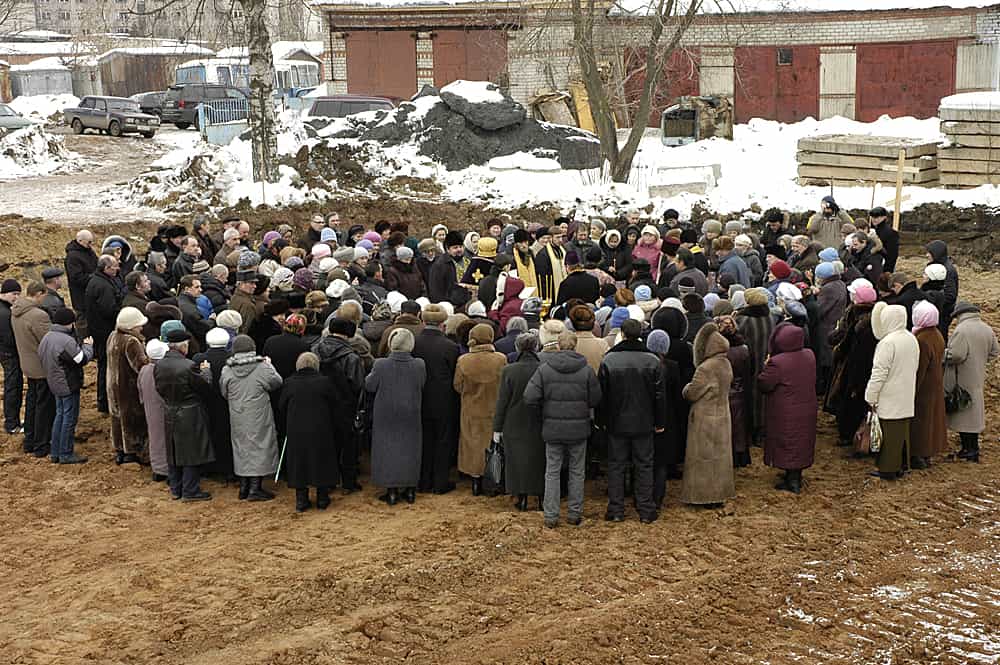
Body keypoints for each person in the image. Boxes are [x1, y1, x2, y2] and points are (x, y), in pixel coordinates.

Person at [524, 330, 601, 528]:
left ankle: (551, 515)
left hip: (552, 428)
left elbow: (529, 396)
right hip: (579, 428)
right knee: (577, 471)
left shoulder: (545, 369)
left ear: (558, 345)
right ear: (575, 346)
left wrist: (543, 409)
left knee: (552, 471)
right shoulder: (586, 370)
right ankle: (574, 513)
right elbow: (595, 399)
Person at [599, 318, 665, 523]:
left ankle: (616, 509)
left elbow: (603, 395)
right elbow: (659, 396)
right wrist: (660, 421)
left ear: (623, 334)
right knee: (644, 464)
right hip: (644, 421)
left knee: (616, 465)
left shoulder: (609, 360)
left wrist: (601, 421)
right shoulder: (652, 361)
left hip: (616, 422)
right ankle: (646, 509)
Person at [365, 328, 426, 505]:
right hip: (411, 411)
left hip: (386, 412)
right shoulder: (419, 364)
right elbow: (421, 384)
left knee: (387, 449)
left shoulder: (380, 364)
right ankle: (410, 490)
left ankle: (391, 491)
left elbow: (369, 385)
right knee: (410, 449)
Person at [220, 334, 283, 501]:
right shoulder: (262, 367)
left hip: (237, 413)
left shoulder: (227, 369)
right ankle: (255, 488)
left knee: (241, 447)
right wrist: (270, 366)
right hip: (259, 412)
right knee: (260, 446)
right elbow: (277, 382)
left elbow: (224, 392)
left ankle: (244, 487)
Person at [155, 328, 215, 501]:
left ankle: (176, 488)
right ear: (182, 346)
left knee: (173, 451)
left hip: (169, 409)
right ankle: (190, 490)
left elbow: (159, 388)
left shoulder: (159, 364)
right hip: (190, 411)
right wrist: (206, 372)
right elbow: (204, 387)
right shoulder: (188, 366)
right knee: (191, 451)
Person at [757, 322, 817, 493]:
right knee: (801, 440)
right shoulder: (809, 355)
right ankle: (795, 475)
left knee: (787, 441)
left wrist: (766, 365)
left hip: (785, 410)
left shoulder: (777, 362)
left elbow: (764, 384)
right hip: (806, 407)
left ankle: (792, 481)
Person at [682, 322, 735, 506]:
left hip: (704, 418)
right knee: (719, 459)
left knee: (703, 460)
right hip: (722, 414)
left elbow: (692, 393)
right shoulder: (726, 363)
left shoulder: (705, 368)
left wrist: (686, 387)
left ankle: (703, 496)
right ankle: (719, 494)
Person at [865, 302, 919, 480]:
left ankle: (888, 469)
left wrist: (871, 395)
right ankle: (902, 465)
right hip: (906, 391)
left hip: (889, 393)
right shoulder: (911, 338)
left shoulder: (887, 342)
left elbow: (879, 373)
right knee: (902, 432)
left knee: (888, 434)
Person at [279, 351, 339, 511]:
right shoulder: (324, 382)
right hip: (321, 427)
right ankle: (322, 498)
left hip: (296, 428)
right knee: (322, 459)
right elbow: (335, 404)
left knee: (299, 461)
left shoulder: (289, 382)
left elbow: (282, 405)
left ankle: (301, 500)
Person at [493, 332, 545, 511]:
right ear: (536, 347)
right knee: (540, 460)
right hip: (540, 420)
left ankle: (521, 498)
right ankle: (540, 498)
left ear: (517, 348)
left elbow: (502, 402)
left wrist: (497, 429)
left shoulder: (509, 370)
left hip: (513, 422)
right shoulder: (544, 367)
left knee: (516, 461)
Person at [454, 323, 506, 495]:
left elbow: (458, 386)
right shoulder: (501, 359)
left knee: (472, 445)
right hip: (493, 409)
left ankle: (475, 481)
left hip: (471, 410)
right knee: (492, 445)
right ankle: (491, 478)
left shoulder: (463, 361)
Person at [314, 318, 366, 493]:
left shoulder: (314, 350)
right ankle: (348, 483)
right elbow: (358, 385)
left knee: (325, 444)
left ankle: (327, 481)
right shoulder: (351, 357)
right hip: (345, 406)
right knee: (348, 446)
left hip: (320, 405)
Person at [945, 301, 999, 464]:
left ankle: (969, 449)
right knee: (974, 414)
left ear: (960, 315)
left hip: (962, 377)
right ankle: (971, 448)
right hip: (977, 375)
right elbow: (995, 351)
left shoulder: (962, 330)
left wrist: (943, 354)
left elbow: (957, 355)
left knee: (964, 414)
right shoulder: (986, 328)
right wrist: (980, 361)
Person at [37, 308, 93, 464]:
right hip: (67, 384)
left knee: (59, 416)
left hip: (54, 383)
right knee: (69, 419)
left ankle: (55, 452)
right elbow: (80, 359)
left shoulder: (47, 337)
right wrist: (88, 346)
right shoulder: (65, 340)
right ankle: (65, 453)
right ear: (70, 323)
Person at [13, 281, 54, 457]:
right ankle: (41, 445)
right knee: (44, 406)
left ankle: (29, 440)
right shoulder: (38, 315)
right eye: (44, 296)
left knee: (32, 403)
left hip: (28, 364)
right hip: (41, 366)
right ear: (38, 294)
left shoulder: (16, 311)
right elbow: (48, 342)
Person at [106, 306, 150, 465]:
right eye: (139, 324)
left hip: (113, 385)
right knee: (131, 420)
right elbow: (140, 366)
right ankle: (132, 452)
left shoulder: (112, 336)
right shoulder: (131, 341)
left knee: (117, 418)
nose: (142, 327)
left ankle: (120, 450)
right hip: (128, 388)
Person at [909, 300, 947, 470]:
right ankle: (927, 453)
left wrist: (912, 391)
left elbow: (920, 369)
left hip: (924, 388)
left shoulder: (922, 339)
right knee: (932, 419)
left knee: (921, 422)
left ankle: (919, 454)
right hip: (935, 384)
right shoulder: (936, 334)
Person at [192, 327, 234, 478]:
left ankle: (209, 467)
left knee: (208, 434)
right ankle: (227, 468)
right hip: (227, 403)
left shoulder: (198, 359)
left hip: (206, 403)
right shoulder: (232, 358)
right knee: (226, 435)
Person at [84, 255, 122, 413]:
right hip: (104, 332)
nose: (117, 268)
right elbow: (109, 310)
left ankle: (103, 401)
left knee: (103, 365)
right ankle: (105, 402)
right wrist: (122, 310)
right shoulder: (103, 286)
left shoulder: (97, 281)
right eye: (114, 267)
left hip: (97, 330)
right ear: (106, 268)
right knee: (107, 366)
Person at [716, 315, 752, 468]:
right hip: (740, 392)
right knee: (739, 427)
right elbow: (748, 372)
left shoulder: (718, 351)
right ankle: (740, 456)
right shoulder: (743, 349)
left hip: (723, 392)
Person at [138, 339, 169, 481]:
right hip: (162, 407)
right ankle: (166, 469)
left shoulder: (144, 370)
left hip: (149, 407)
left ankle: (157, 468)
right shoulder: (161, 370)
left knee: (155, 437)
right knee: (165, 438)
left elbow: (140, 390)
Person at [0, 279, 23, 434]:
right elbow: (9, 338)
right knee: (13, 387)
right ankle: (11, 424)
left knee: (13, 386)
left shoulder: (5, 309)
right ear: (4, 293)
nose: (16, 297)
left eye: (18, 294)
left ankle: (12, 420)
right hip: (9, 354)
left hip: (5, 353)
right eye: (14, 294)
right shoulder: (5, 313)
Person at [64, 229, 98, 330]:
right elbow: (76, 278)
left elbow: (97, 264)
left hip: (92, 295)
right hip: (81, 298)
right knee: (83, 325)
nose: (91, 244)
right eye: (89, 242)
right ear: (80, 241)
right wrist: (94, 277)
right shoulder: (72, 257)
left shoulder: (89, 251)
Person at [428, 231, 471, 307]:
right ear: (448, 249)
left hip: (467, 302)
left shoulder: (468, 261)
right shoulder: (440, 265)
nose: (459, 250)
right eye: (455, 248)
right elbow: (435, 290)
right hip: (450, 305)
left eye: (460, 247)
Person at [926, 240, 959, 336]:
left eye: (929, 253)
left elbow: (950, 295)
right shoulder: (937, 266)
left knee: (940, 335)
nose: (927, 255)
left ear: (936, 253)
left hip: (943, 312)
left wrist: (934, 299)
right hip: (936, 309)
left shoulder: (948, 270)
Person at [869, 207, 899, 273]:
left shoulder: (891, 233)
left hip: (883, 266)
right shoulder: (870, 230)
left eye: (877, 217)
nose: (874, 219)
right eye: (872, 217)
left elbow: (892, 254)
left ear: (884, 217)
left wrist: (888, 271)